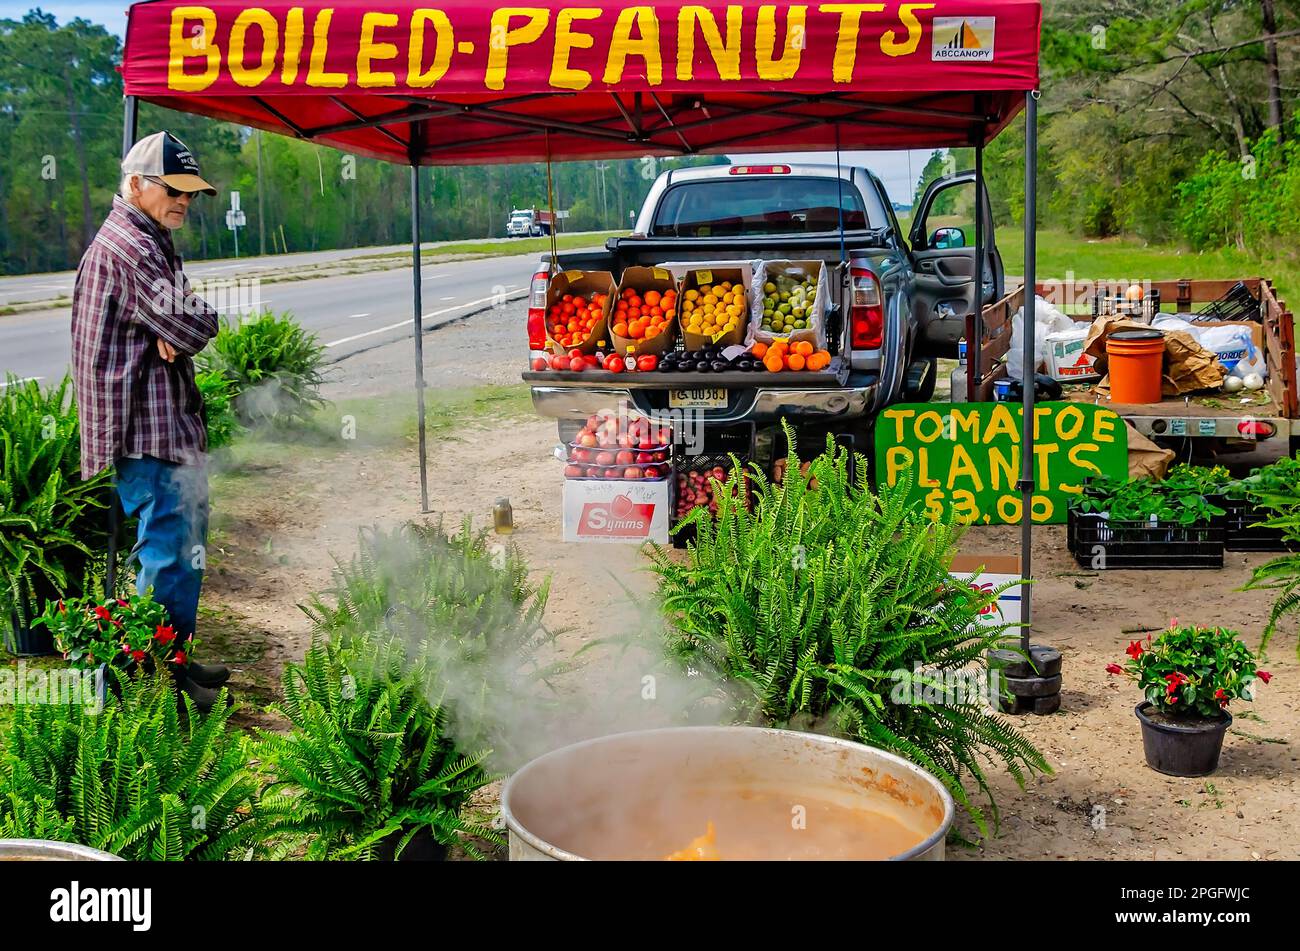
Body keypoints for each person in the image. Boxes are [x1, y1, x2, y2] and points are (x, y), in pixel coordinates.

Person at [71, 131, 230, 712]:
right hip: (147, 431)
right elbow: (193, 324)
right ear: (136, 184)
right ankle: (149, 687)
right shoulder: (130, 247)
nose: (185, 201)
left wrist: (177, 325)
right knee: (168, 553)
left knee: (183, 546)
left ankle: (174, 660)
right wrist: (176, 329)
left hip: (162, 427)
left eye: (191, 193)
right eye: (174, 190)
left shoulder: (150, 237)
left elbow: (183, 318)